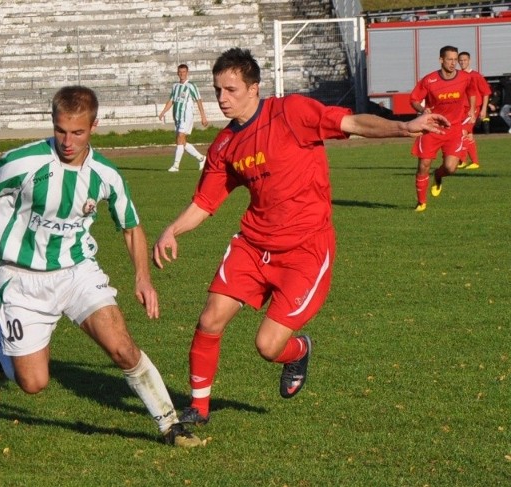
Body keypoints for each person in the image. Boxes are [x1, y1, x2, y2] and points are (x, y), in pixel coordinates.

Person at [152, 47, 449, 427]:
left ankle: (299, 350)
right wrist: (172, 230)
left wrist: (405, 126)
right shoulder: (225, 146)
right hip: (253, 244)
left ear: (254, 88)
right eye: (217, 91)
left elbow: (353, 124)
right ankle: (199, 408)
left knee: (267, 346)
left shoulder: (291, 112)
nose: (223, 99)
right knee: (210, 319)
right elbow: (205, 202)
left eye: (231, 89)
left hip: (305, 250)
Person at [0, 85, 202, 448]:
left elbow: (131, 224)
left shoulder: (105, 174)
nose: (67, 141)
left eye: (77, 132)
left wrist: (142, 277)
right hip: (22, 279)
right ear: (52, 123)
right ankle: (1, 344)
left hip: (77, 273)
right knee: (34, 383)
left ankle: (171, 425)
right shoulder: (25, 161)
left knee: (122, 348)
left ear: (94, 127)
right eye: (60, 130)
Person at [410, 45, 476, 212]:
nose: (453, 63)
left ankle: (438, 176)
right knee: (423, 165)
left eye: (455, 59)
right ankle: (421, 202)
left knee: (450, 168)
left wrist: (473, 111)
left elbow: (472, 92)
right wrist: (422, 109)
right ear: (441, 60)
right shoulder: (429, 80)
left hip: (453, 129)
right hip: (432, 129)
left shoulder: (465, 78)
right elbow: (414, 99)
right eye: (450, 59)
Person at [158, 63, 209, 172]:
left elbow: (199, 100)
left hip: (186, 116)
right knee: (182, 141)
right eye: (180, 72)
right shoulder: (175, 86)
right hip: (177, 117)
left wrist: (203, 116)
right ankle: (201, 158)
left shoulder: (191, 85)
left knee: (180, 138)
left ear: (187, 73)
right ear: (177, 73)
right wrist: (163, 112)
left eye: (184, 72)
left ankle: (176, 166)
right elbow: (171, 100)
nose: (182, 74)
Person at [456, 51, 491, 169]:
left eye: (465, 60)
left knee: (462, 132)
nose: (462, 62)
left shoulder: (476, 75)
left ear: (469, 61)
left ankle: (462, 160)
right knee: (468, 135)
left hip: (473, 108)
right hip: (462, 109)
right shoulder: (458, 75)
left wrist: (483, 109)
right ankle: (474, 162)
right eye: (460, 60)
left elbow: (486, 92)